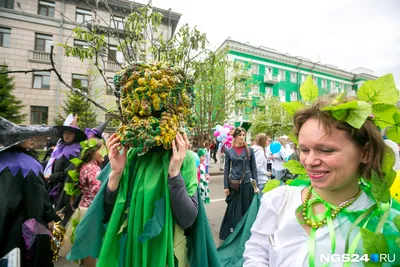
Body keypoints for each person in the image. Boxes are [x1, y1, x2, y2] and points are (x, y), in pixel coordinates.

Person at [67, 62, 220, 267]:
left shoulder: (186, 159)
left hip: (169, 257)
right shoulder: (131, 156)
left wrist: (174, 173)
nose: (150, 120)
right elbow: (108, 213)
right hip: (131, 253)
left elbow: (188, 219)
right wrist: (115, 173)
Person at [243, 94, 400, 266]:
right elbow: (256, 253)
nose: (309, 161)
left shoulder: (383, 225)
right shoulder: (278, 200)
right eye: (304, 149)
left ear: (366, 153)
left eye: (325, 150)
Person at [0, 117, 60, 267]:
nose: (32, 138)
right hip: (23, 228)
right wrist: (50, 217)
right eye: (26, 136)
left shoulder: (2, 159)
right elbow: (39, 199)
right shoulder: (28, 165)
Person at [59, 138, 106, 267]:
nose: (105, 152)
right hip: (92, 211)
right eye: (102, 149)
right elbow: (99, 192)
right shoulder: (92, 169)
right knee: (91, 246)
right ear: (93, 152)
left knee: (86, 244)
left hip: (83, 209)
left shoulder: (86, 166)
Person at [219, 127, 259, 241]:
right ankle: (234, 232)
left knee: (247, 209)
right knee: (235, 210)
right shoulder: (229, 151)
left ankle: (247, 233)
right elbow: (226, 169)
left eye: (243, 135)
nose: (242, 137)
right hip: (235, 184)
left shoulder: (249, 150)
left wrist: (256, 186)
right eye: (240, 135)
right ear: (235, 136)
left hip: (247, 183)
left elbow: (254, 168)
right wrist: (226, 186)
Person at [44, 114, 87, 211]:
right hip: (55, 186)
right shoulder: (60, 148)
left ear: (75, 135)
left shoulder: (76, 151)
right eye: (65, 133)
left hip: (64, 190)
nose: (67, 135)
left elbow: (69, 172)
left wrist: (51, 177)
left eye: (70, 133)